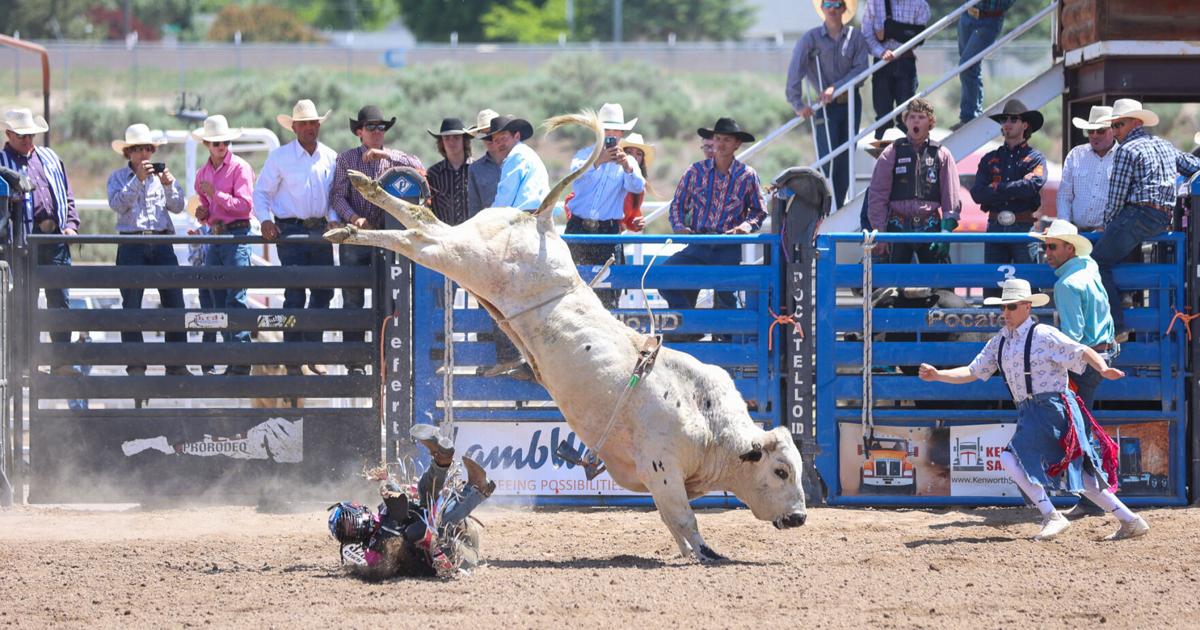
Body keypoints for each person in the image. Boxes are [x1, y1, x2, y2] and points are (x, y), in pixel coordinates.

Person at [918, 278, 1148, 541]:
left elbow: (1081, 350)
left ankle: (1053, 516)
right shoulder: (1000, 342)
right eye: (1004, 307)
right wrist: (938, 375)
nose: (1006, 313)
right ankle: (1130, 521)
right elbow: (972, 371)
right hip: (1038, 410)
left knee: (1011, 459)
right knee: (1080, 477)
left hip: (1052, 408)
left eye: (1012, 307)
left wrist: (1103, 368)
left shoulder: (1043, 335)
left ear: (1027, 307)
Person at [327, 424, 494, 579]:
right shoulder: (368, 550)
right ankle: (477, 490)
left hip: (451, 525)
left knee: (424, 492)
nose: (352, 526)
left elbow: (403, 503)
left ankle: (441, 460)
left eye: (349, 521)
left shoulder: (383, 512)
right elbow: (380, 568)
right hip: (459, 552)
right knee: (419, 530)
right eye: (347, 528)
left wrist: (387, 483)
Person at [330, 105, 425, 376]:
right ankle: (355, 360)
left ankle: (387, 358)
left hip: (387, 236)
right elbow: (337, 196)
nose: (376, 132)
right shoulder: (346, 159)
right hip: (359, 236)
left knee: (389, 297)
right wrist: (354, 217)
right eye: (371, 127)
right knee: (352, 298)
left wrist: (387, 154)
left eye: (381, 127)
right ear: (359, 132)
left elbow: (420, 168)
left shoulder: (393, 158)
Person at [1033, 219, 1115, 519]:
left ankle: (1097, 498)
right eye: (1046, 247)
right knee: (1081, 426)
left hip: (1085, 361)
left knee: (1079, 430)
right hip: (1102, 353)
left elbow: (1073, 339)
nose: (1047, 253)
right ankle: (1097, 497)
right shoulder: (1088, 268)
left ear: (1069, 248)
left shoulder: (1066, 285)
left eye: (1052, 247)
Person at [253, 99, 339, 376]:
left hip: (319, 231)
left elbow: (335, 196)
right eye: (305, 123)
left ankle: (310, 353)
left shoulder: (330, 156)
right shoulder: (280, 157)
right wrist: (265, 220)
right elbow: (261, 193)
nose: (310, 127)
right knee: (295, 293)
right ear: (295, 128)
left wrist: (334, 220)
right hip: (290, 230)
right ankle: (294, 356)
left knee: (323, 291)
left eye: (313, 123)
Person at [0, 108, 81, 376]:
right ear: (9, 134)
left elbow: (67, 196)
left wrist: (70, 225)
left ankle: (60, 360)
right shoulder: (2, 163)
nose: (27, 140)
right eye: (22, 135)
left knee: (60, 301)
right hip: (21, 242)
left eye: (30, 135)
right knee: (23, 303)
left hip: (54, 238)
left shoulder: (49, 158)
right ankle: (25, 365)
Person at [106, 123, 191, 377]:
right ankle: (135, 364)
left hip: (162, 242)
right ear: (128, 153)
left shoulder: (161, 177)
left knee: (175, 302)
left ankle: (175, 364)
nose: (144, 154)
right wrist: (137, 181)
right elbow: (118, 205)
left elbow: (178, 206)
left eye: (147, 149)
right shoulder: (119, 178)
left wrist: (169, 184)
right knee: (132, 304)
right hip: (132, 243)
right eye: (138, 149)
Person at [1092, 99, 1180, 331]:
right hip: (1163, 219)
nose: (1116, 131)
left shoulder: (1126, 150)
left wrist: (1106, 226)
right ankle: (1131, 301)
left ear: (1136, 123)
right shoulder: (1164, 145)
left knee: (1096, 262)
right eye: (1114, 126)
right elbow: (1193, 165)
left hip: (1139, 214)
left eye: (1119, 125)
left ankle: (1116, 325)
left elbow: (1116, 197)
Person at [663, 118, 766, 313]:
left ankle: (725, 338)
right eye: (718, 138)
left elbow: (759, 210)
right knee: (663, 276)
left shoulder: (747, 175)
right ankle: (692, 324)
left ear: (737, 144)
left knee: (726, 295)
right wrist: (678, 226)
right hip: (698, 243)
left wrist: (746, 226)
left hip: (728, 246)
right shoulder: (695, 171)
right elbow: (677, 204)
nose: (721, 143)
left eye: (727, 140)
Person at [787, 0, 869, 208]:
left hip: (851, 102)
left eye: (837, 3)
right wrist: (798, 104)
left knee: (845, 155)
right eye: (827, 4)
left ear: (844, 8)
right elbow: (795, 72)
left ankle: (839, 204)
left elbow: (861, 71)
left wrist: (836, 87)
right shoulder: (810, 38)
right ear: (822, 8)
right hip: (824, 106)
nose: (832, 8)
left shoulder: (855, 36)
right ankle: (824, 205)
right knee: (826, 157)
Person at [563, 103, 645, 308]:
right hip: (579, 227)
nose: (611, 134)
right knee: (570, 286)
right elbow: (575, 175)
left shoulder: (628, 162)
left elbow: (637, 186)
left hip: (607, 231)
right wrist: (598, 161)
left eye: (614, 131)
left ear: (621, 133)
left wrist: (627, 166)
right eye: (606, 130)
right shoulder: (585, 155)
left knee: (606, 292)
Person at [193, 114, 255, 376]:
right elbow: (208, 208)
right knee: (217, 298)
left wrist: (213, 196)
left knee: (234, 298)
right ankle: (232, 358)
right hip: (218, 236)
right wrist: (203, 213)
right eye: (217, 142)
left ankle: (239, 360)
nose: (222, 146)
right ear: (207, 143)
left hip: (236, 236)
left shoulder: (239, 168)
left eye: (225, 141)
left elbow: (245, 206)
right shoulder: (203, 174)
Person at [866, 98, 960, 264]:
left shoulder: (941, 153)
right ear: (906, 121)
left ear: (930, 122)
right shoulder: (891, 152)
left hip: (931, 224)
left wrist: (946, 231)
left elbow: (950, 194)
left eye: (921, 117)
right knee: (891, 284)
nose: (916, 120)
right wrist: (879, 232)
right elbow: (877, 194)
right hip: (897, 224)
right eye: (912, 117)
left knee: (941, 282)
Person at [970, 99, 1046, 291]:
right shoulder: (989, 158)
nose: (1007, 123)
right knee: (992, 285)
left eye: (1013, 119)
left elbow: (1032, 185)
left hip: (1023, 226)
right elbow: (977, 193)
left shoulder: (1035, 157)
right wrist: (1015, 189)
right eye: (1004, 119)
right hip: (996, 226)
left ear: (1025, 125)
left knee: (1028, 286)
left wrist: (997, 188)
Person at [859, 0, 930, 139]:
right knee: (882, 114)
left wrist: (888, 34)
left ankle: (912, 151)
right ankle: (883, 153)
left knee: (907, 113)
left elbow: (919, 36)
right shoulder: (874, 3)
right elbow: (867, 34)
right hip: (882, 62)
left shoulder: (920, 4)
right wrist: (881, 52)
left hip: (906, 61)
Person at [1057, 106, 1118, 233]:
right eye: (1090, 131)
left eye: (1100, 130)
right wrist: (1065, 229)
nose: (1094, 135)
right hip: (1077, 232)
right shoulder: (1076, 154)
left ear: (1113, 130)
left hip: (1110, 234)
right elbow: (1064, 195)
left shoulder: (1124, 156)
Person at [957, 1, 1015, 126]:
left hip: (990, 19)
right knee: (969, 66)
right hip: (968, 14)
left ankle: (969, 116)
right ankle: (970, 114)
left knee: (967, 65)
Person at [483, 114, 549, 211]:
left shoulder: (516, 156)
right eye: (496, 141)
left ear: (517, 136)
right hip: (539, 212)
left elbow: (505, 196)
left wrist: (488, 216)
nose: (500, 144)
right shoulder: (525, 152)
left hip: (528, 216)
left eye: (503, 138)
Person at [425, 117, 472, 225]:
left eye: (456, 137)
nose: (451, 142)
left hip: (474, 236)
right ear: (441, 142)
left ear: (464, 140)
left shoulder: (477, 169)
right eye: (446, 138)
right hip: (443, 237)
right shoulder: (433, 174)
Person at [465, 108, 501, 217]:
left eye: (491, 133)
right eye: (483, 135)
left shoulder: (517, 161)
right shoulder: (475, 169)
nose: (488, 139)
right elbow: (474, 208)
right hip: (490, 229)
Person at [618, 132, 655, 233]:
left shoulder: (640, 187)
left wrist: (636, 224)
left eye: (638, 154)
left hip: (614, 236)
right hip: (595, 231)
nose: (633, 157)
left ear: (642, 160)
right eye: (629, 152)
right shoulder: (611, 175)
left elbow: (631, 217)